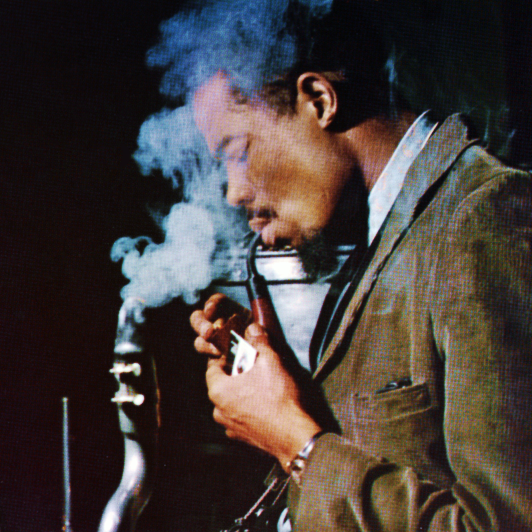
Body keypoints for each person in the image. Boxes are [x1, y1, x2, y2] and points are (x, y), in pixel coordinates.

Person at [179, 0, 532, 530]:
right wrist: (285, 390)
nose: (233, 193)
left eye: (237, 151)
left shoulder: (484, 217)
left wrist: (297, 444)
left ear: (319, 100)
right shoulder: (390, 229)